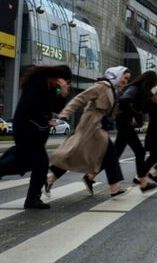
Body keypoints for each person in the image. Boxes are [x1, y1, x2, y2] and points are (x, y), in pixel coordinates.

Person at [0, 65, 71, 209]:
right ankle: (32, 199)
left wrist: (63, 94)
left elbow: (57, 108)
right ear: (58, 77)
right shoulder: (37, 82)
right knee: (41, 162)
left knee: (25, 160)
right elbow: (30, 107)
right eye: (65, 82)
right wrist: (45, 120)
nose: (65, 85)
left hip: (36, 130)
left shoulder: (52, 87)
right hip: (25, 127)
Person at [45, 66, 129, 197]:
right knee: (108, 153)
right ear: (116, 75)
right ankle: (113, 187)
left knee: (77, 152)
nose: (126, 81)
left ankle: (52, 176)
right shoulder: (101, 86)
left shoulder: (114, 90)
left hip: (98, 126)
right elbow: (81, 98)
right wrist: (66, 113)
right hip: (90, 124)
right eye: (125, 78)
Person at [114, 70, 157, 192]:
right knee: (140, 152)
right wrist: (134, 114)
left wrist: (151, 101)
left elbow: (143, 110)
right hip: (125, 123)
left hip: (125, 123)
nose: (154, 87)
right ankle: (143, 182)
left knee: (115, 154)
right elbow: (124, 101)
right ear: (149, 82)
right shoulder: (135, 88)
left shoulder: (143, 91)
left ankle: (90, 176)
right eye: (153, 84)